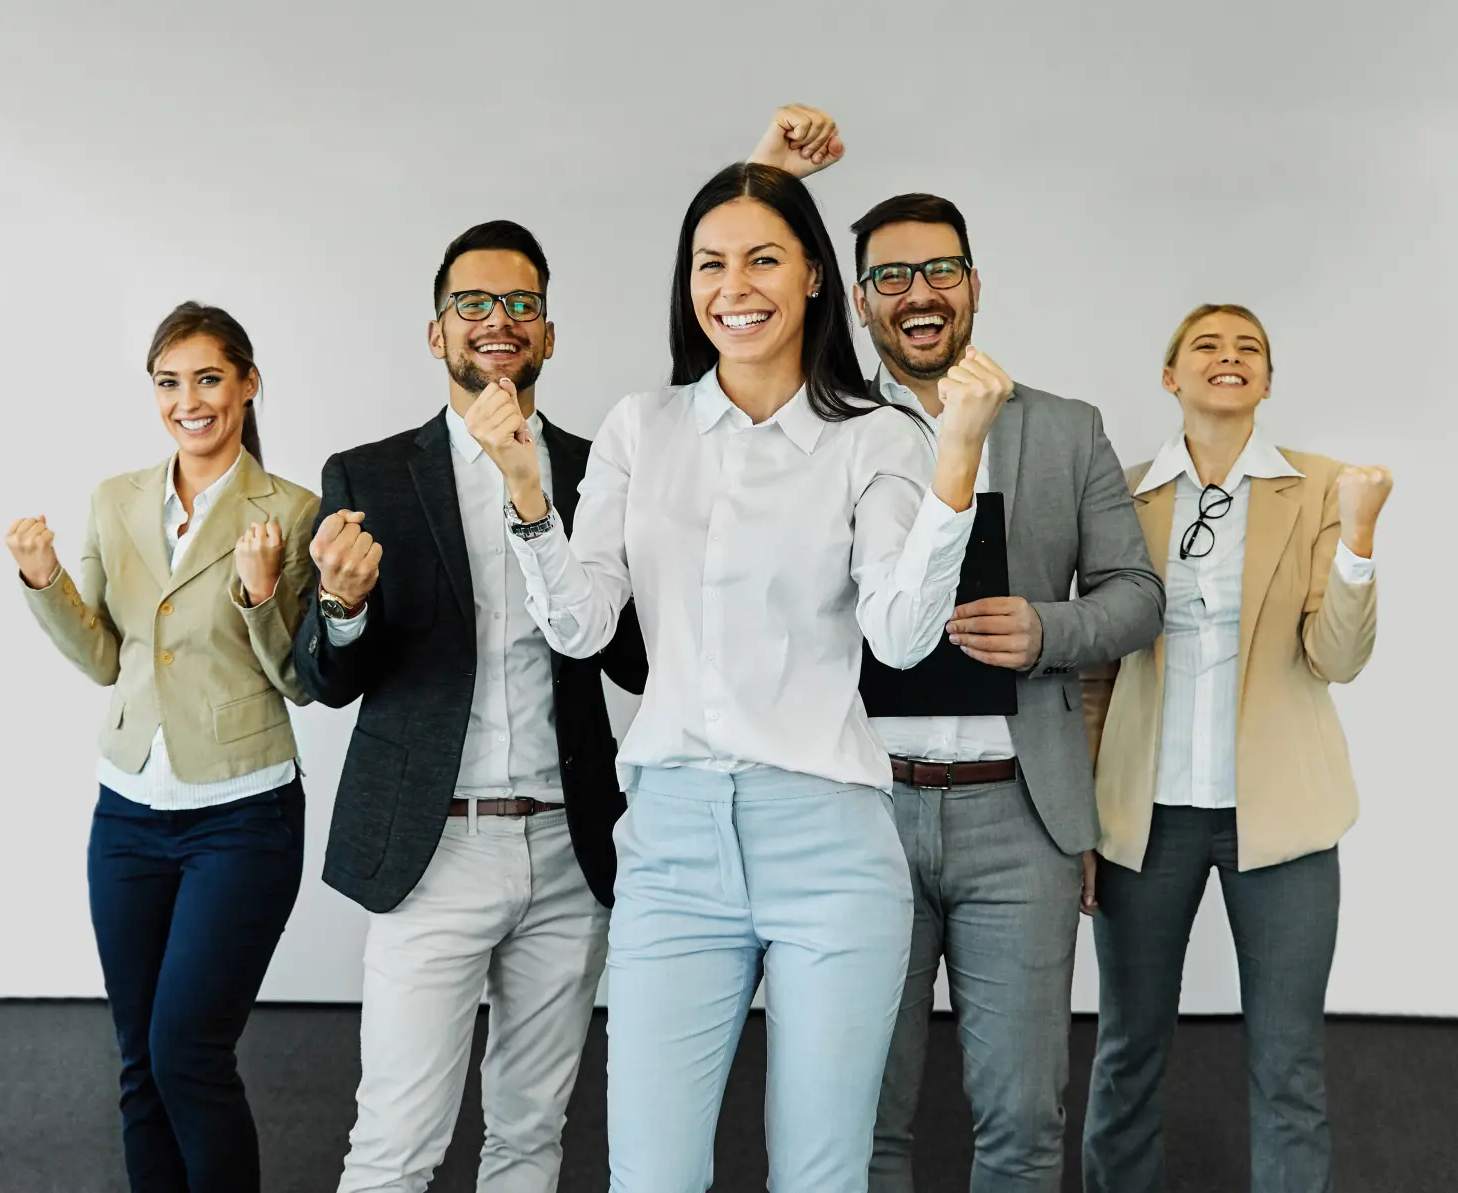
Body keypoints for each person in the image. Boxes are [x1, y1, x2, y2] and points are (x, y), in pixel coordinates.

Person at [465, 162, 1003, 1193]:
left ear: (811, 277)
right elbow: (582, 628)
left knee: (819, 1172)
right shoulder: (641, 427)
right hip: (671, 838)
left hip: (831, 841)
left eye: (763, 257)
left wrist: (956, 466)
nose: (734, 284)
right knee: (651, 1173)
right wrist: (530, 496)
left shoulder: (877, 436)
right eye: (710, 263)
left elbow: (899, 633)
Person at [749, 107, 1166, 1193]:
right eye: (890, 277)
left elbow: (1136, 594)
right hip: (854, 807)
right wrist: (767, 170)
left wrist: (1047, 630)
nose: (918, 294)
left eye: (939, 271)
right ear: (854, 298)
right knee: (859, 1113)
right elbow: (726, 298)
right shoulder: (821, 426)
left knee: (1024, 1120)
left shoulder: (1065, 428)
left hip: (1016, 816)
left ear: (974, 285)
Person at [294, 220, 647, 1193]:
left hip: (569, 850)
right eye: (474, 304)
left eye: (520, 304)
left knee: (533, 1137)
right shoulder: (369, 476)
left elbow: (633, 660)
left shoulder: (596, 470)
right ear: (436, 330)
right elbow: (323, 675)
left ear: (548, 331)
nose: (498, 320)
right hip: (432, 852)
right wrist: (341, 605)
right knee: (396, 1145)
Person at [5, 302, 319, 1193]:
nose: (190, 400)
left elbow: (302, 679)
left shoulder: (291, 510)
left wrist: (260, 594)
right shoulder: (116, 499)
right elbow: (104, 656)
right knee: (141, 1061)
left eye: (209, 378)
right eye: (170, 382)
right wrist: (44, 580)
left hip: (244, 814)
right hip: (129, 813)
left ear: (248, 383)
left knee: (189, 1052)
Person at [1080, 304, 1392, 1193]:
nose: (1230, 357)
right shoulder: (1124, 496)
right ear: (1171, 377)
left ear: (1267, 380)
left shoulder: (1328, 488)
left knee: (1289, 1060)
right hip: (1143, 819)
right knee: (1127, 1048)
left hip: (1284, 823)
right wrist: (1081, 824)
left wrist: (1360, 540)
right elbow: (1096, 672)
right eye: (1207, 346)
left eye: (1249, 348)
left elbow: (1338, 655)